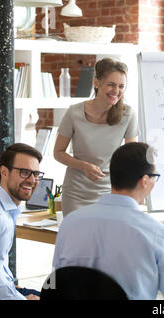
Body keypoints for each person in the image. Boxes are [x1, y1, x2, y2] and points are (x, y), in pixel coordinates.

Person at [52, 142, 164, 300]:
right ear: (144, 180)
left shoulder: (70, 223)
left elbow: (57, 282)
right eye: (154, 178)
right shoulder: (157, 233)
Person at [54, 58, 138, 216]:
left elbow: (129, 159)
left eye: (121, 86)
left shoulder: (128, 115)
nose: (116, 91)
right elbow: (58, 152)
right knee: (77, 240)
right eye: (111, 84)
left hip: (110, 193)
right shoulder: (74, 112)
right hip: (75, 193)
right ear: (96, 83)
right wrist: (83, 166)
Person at [0, 143, 43, 300]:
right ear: (4, 172)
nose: (32, 180)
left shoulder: (4, 208)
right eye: (25, 172)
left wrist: (8, 283)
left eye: (36, 174)